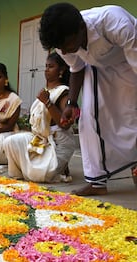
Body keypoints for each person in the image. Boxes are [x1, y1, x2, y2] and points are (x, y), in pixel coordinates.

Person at [39, 3, 137, 195]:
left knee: (133, 114)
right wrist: (71, 103)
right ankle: (97, 182)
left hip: (131, 62)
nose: (64, 53)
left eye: (67, 46)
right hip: (99, 69)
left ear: (81, 29)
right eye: (60, 48)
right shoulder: (62, 43)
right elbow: (76, 69)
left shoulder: (114, 22)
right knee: (89, 119)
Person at [3, 52, 76, 183]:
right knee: (10, 142)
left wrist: (48, 102)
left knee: (44, 175)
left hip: (58, 142)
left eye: (51, 66)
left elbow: (65, 124)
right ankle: (27, 169)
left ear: (61, 70)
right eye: (46, 66)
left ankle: (55, 166)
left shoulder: (64, 91)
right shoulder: (45, 91)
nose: (46, 69)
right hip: (40, 139)